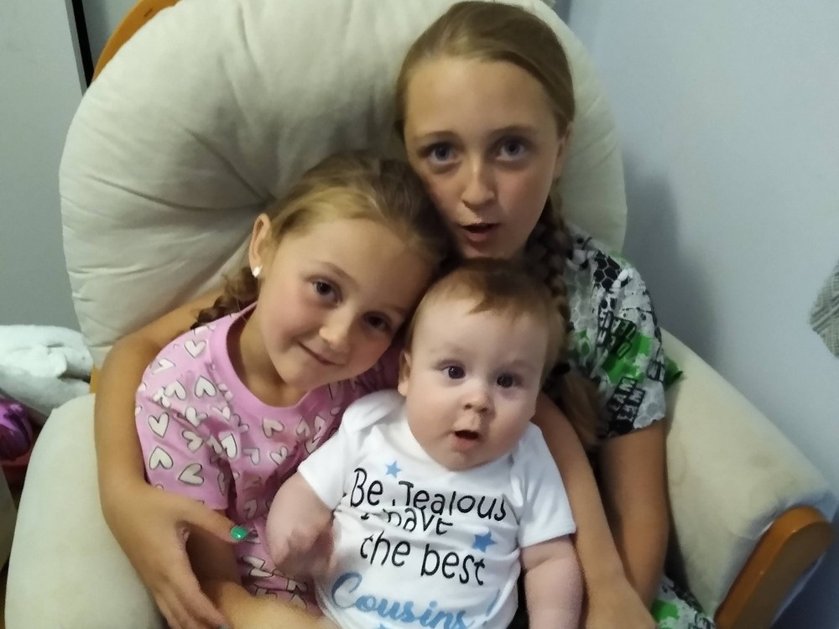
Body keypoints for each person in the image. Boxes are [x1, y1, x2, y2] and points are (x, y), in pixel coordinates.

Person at [94, 2, 712, 628]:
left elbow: (630, 498)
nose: (477, 190)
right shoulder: (388, 274)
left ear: (561, 148)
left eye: (512, 148)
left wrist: (609, 587)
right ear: (409, 155)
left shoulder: (608, 293)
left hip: (558, 569)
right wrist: (121, 496)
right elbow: (140, 352)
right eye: (442, 152)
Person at [128, 151, 456, 626]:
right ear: (263, 245)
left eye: (377, 320)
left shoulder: (380, 370)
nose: (340, 337)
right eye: (325, 288)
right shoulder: (181, 397)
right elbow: (213, 587)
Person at [266, 259, 582, 629]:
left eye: (508, 381)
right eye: (454, 371)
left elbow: (550, 560)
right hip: (345, 620)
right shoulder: (373, 426)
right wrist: (291, 544)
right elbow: (305, 491)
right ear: (406, 374)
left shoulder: (527, 456)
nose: (478, 398)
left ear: (535, 398)